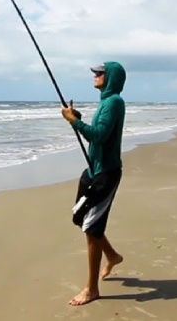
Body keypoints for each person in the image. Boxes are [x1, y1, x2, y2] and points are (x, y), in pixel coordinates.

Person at [61, 61, 127, 306]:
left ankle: (92, 289)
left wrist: (74, 122)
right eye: (96, 72)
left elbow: (98, 135)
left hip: (106, 175)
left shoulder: (114, 103)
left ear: (110, 77)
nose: (95, 75)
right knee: (81, 219)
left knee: (91, 227)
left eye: (100, 73)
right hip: (92, 171)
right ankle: (112, 255)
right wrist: (77, 119)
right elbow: (99, 135)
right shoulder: (107, 102)